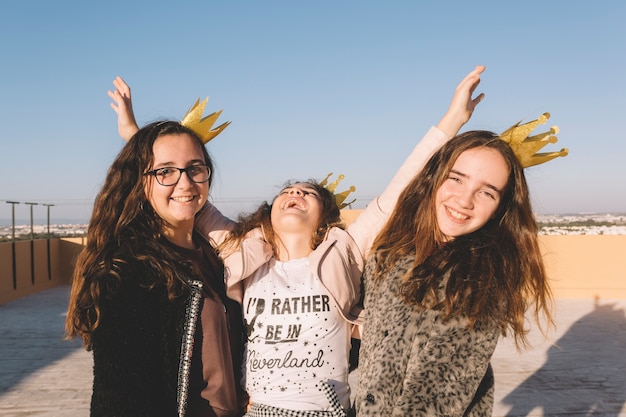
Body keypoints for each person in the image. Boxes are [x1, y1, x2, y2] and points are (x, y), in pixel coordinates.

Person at [108, 66, 486, 416]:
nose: (296, 194)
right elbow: (184, 191)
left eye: (309, 193)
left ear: (324, 218)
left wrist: (452, 120)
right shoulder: (244, 250)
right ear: (270, 210)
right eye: (289, 190)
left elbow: (396, 194)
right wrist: (132, 132)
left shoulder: (345, 251)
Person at [354, 130, 555, 416]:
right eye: (456, 178)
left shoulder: (480, 280)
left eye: (486, 192)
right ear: (433, 179)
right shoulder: (389, 256)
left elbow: (435, 396)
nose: (464, 200)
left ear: (501, 208)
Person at [65, 121, 246, 417]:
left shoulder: (217, 256)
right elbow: (121, 397)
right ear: (140, 181)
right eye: (165, 172)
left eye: (195, 169)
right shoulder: (129, 270)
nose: (185, 183)